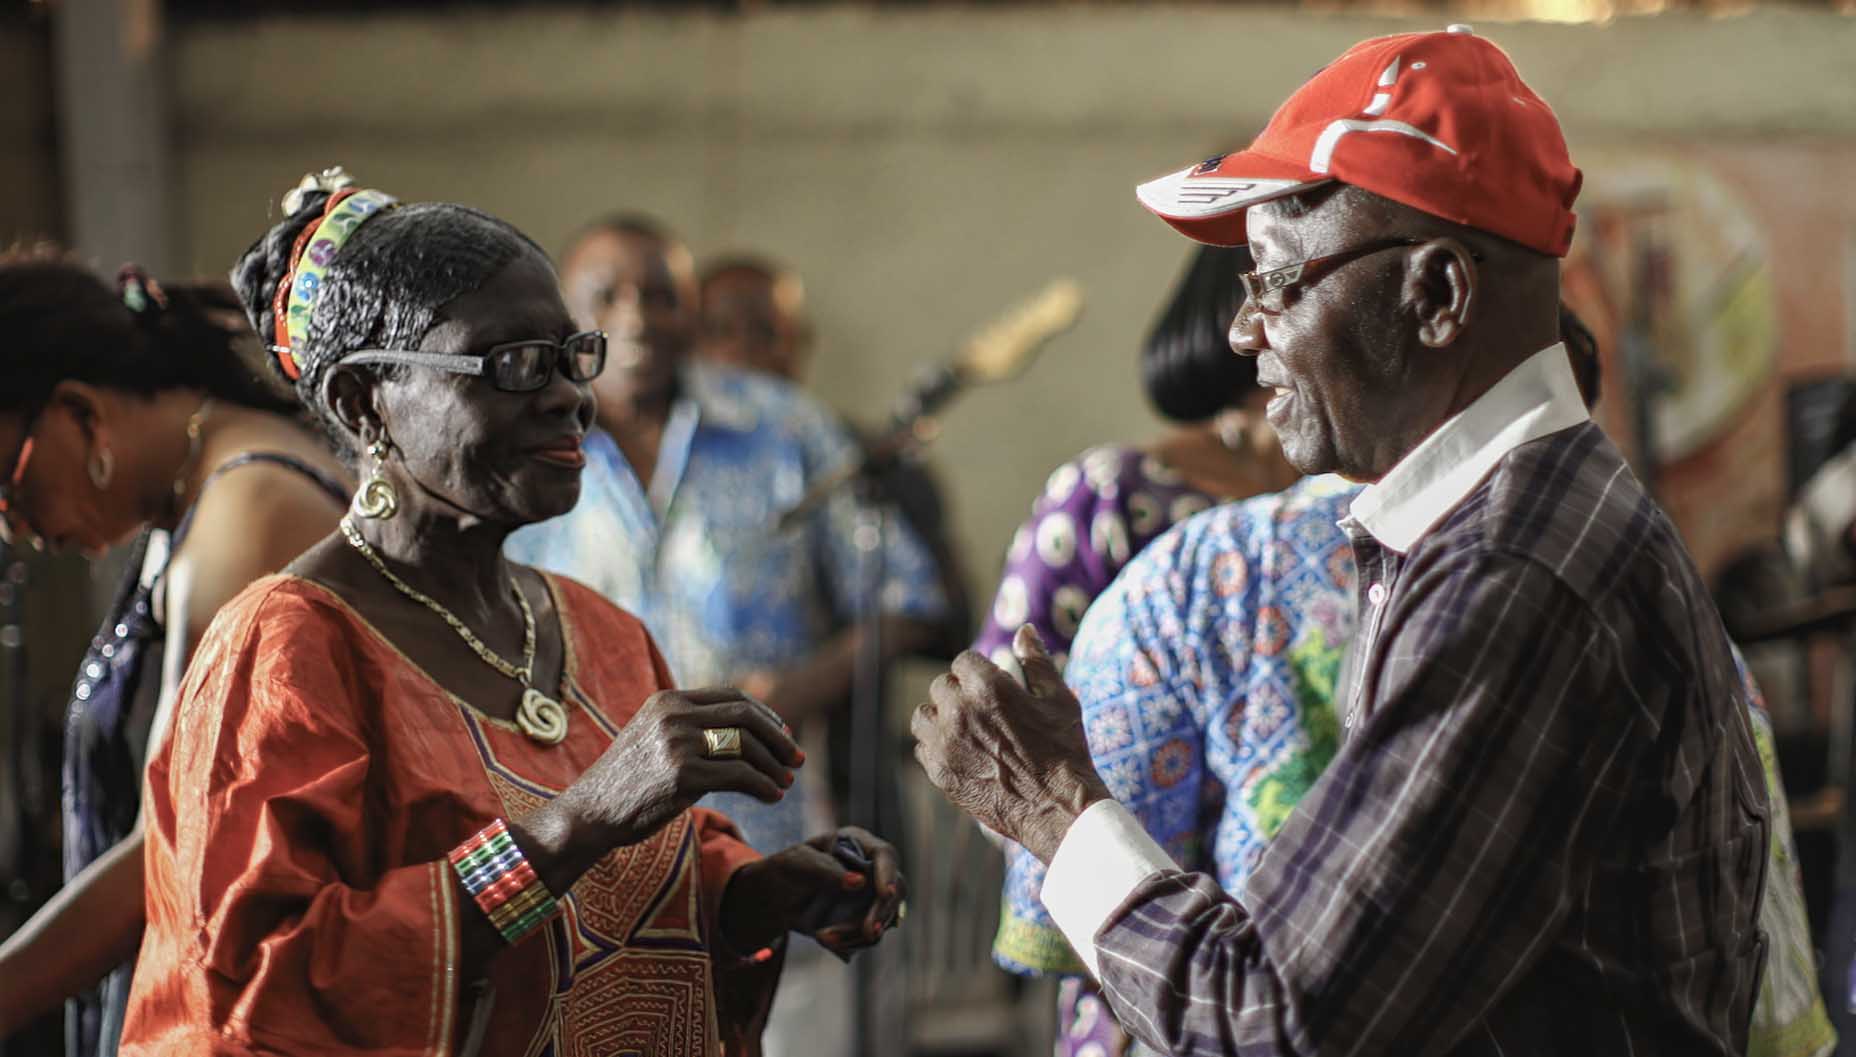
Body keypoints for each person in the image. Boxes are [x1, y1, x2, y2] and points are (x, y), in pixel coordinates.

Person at [915, 26, 1770, 1055]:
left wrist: (1054, 806)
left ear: (1436, 294)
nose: (1242, 333)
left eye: (1274, 281)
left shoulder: (1511, 575)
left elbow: (1278, 1021)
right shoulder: (1498, 532)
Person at [110, 172, 905, 1056]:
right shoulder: (288, 648)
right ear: (362, 403)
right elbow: (263, 987)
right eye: (513, 363)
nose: (569, 395)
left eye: (572, 357)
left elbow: (637, 895)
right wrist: (582, 816)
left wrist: (755, 896)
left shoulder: (602, 635)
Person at [499, 214, 943, 1057]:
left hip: (764, 831)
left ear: (690, 308)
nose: (637, 316)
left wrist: (790, 694)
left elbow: (905, 594)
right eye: (608, 296)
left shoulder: (786, 426)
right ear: (567, 316)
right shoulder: (531, 438)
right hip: (587, 850)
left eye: (662, 294)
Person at [0, 251, 350, 1057]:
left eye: (6, 484)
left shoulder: (245, 510)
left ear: (79, 412)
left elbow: (172, 839)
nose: (11, 524)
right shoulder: (198, 503)